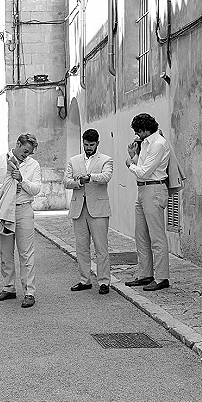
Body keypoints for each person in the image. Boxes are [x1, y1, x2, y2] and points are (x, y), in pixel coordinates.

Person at [0, 134, 41, 308]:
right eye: (25, 151)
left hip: (24, 208)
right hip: (4, 208)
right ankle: (9, 287)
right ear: (18, 144)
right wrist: (7, 188)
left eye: (29, 153)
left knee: (26, 253)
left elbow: (36, 189)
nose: (26, 155)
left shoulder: (33, 165)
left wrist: (22, 181)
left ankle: (29, 291)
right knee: (5, 251)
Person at [124, 113, 171, 291]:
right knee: (141, 235)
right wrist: (133, 156)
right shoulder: (146, 144)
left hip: (153, 189)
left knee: (157, 236)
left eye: (138, 131)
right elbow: (143, 168)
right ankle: (145, 274)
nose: (137, 134)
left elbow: (144, 172)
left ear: (145, 129)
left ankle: (161, 277)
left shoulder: (158, 144)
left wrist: (130, 164)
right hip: (143, 189)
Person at [64, 129, 113, 295]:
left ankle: (104, 281)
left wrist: (90, 177)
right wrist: (78, 182)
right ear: (82, 143)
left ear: (97, 143)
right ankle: (84, 280)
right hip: (79, 208)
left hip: (98, 209)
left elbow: (106, 177)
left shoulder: (106, 159)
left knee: (101, 247)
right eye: (86, 144)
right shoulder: (73, 160)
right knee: (81, 247)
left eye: (92, 145)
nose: (89, 147)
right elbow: (66, 182)